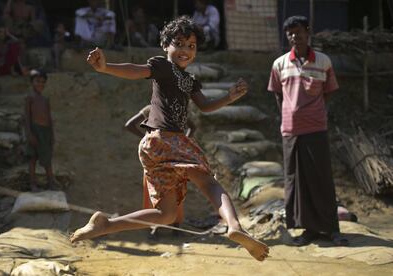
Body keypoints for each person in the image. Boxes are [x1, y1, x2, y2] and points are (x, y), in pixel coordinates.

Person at [70, 16, 269, 261]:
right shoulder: (163, 67)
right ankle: (235, 226)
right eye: (180, 44)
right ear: (166, 45)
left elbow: (205, 106)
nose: (185, 50)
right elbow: (137, 71)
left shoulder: (190, 80)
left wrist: (229, 97)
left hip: (153, 147)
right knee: (209, 183)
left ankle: (105, 225)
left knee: (166, 215)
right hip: (165, 139)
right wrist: (106, 67)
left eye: (191, 46)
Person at [267, 16, 348, 246]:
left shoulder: (323, 61)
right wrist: (291, 112)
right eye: (290, 33)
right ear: (287, 36)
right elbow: (277, 94)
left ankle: (332, 229)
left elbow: (329, 91)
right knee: (297, 180)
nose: (295, 36)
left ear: (308, 32)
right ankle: (309, 230)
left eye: (299, 31)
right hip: (291, 131)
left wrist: (312, 110)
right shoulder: (279, 64)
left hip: (316, 128)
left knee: (321, 178)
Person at [124, 104, 196, 238]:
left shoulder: (151, 108)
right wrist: (182, 144)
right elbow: (193, 127)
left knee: (154, 191)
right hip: (173, 155)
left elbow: (129, 125)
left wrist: (147, 140)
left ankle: (156, 227)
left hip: (154, 156)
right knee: (176, 188)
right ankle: (175, 227)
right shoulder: (177, 108)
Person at [24, 69, 58, 191]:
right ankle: (33, 184)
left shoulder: (45, 99)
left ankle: (51, 183)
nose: (40, 84)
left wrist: (52, 135)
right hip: (34, 130)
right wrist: (29, 134)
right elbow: (27, 117)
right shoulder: (30, 98)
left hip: (45, 132)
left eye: (43, 82)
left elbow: (49, 117)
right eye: (37, 81)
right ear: (32, 82)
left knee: (47, 159)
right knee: (32, 158)